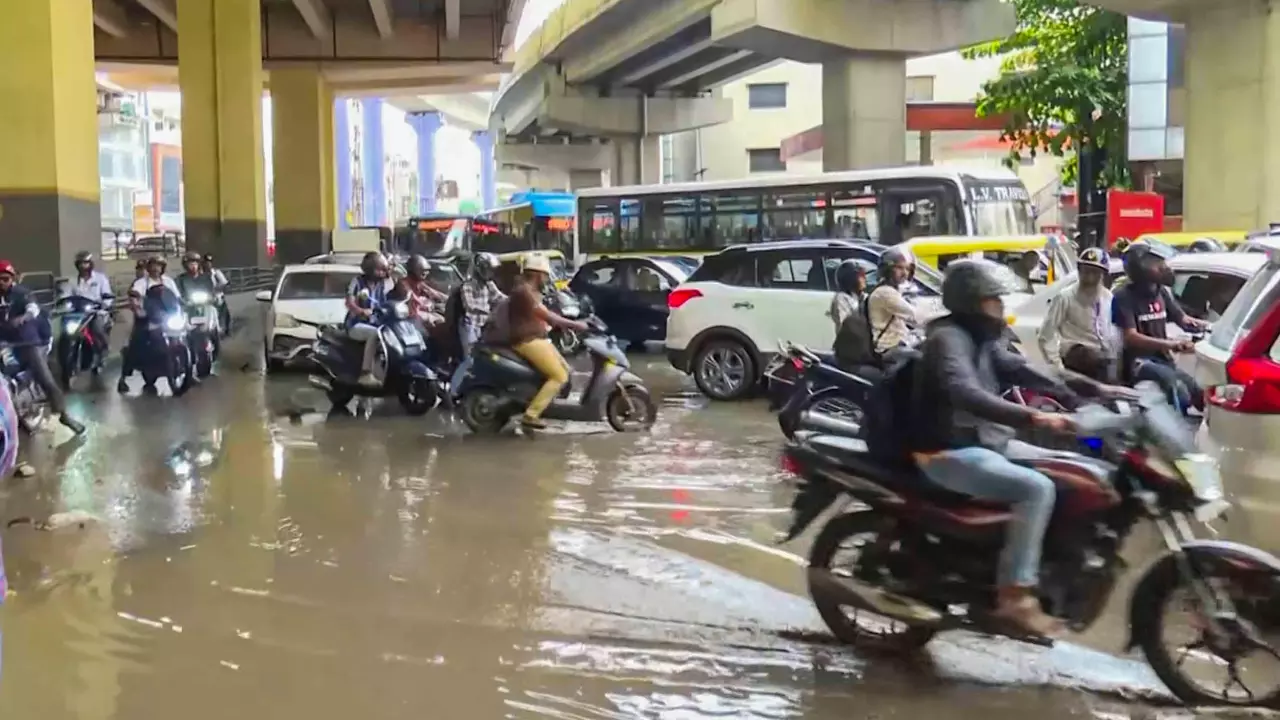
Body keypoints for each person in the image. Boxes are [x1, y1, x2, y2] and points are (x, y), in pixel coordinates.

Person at [911, 259, 1083, 637]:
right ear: (973, 303)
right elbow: (964, 392)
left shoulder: (984, 339)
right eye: (994, 301)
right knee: (1036, 488)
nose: (1001, 309)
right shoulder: (948, 339)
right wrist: (1033, 418)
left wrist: (1087, 391)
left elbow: (1023, 368)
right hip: (946, 451)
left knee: (1077, 471)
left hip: (986, 442)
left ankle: (1043, 568)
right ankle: (1014, 596)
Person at [1112, 241, 1209, 413]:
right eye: (1157, 264)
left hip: (1164, 360)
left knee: (1198, 391)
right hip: (1139, 363)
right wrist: (1171, 344)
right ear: (1141, 268)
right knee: (1177, 390)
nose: (1163, 267)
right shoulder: (1123, 296)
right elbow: (1131, 337)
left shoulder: (1161, 291)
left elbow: (1183, 320)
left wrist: (1211, 327)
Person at [497, 255, 587, 431]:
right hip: (527, 341)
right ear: (538, 275)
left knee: (567, 372)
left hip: (539, 338)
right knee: (559, 376)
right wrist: (575, 324)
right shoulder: (524, 292)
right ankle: (531, 415)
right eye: (545, 276)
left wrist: (563, 325)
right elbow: (546, 315)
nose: (546, 279)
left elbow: (546, 316)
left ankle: (546, 403)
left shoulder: (530, 291)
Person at [0, 262, 85, 434]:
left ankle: (64, 414)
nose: (1, 283)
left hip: (27, 343)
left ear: (12, 279)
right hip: (5, 343)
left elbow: (33, 308)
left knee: (45, 377)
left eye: (5, 279)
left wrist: (24, 317)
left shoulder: (21, 294)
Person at [1036, 247, 1117, 383]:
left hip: (1102, 361)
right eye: (1085, 271)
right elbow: (1045, 335)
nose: (1089, 277)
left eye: (1094, 272)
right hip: (1076, 359)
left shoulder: (1108, 297)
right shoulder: (1065, 297)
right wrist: (1058, 368)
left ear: (1103, 274)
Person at [119, 255, 181, 394]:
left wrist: (182, 307)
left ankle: (189, 368)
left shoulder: (169, 282)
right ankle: (123, 377)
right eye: (153, 265)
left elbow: (176, 298)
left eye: (159, 265)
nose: (156, 268)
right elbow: (135, 297)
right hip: (148, 318)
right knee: (135, 343)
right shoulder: (142, 283)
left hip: (167, 317)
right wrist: (137, 307)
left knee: (186, 334)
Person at [449, 252, 506, 392]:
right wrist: (488, 312)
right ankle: (452, 391)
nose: (490, 273)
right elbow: (470, 306)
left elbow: (500, 297)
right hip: (469, 326)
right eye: (488, 269)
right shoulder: (467, 286)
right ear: (480, 268)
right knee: (469, 360)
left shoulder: (489, 285)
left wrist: (515, 301)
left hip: (483, 327)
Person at [345, 251, 392, 388]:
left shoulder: (382, 284)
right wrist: (361, 311)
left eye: (384, 270)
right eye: (380, 270)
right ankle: (365, 373)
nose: (383, 273)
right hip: (356, 324)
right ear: (371, 269)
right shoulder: (357, 282)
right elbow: (349, 302)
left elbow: (390, 300)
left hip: (376, 322)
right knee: (374, 334)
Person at [866, 247, 921, 359]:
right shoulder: (885, 292)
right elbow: (915, 316)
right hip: (888, 349)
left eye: (907, 269)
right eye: (900, 268)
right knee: (923, 358)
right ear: (887, 269)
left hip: (896, 345)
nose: (905, 273)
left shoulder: (891, 290)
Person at [830, 259, 878, 372]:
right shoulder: (841, 299)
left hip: (866, 347)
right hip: (852, 351)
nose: (865, 279)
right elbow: (848, 325)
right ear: (850, 279)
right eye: (861, 276)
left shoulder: (862, 297)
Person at [68, 251, 114, 350]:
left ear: (91, 264)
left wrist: (105, 304)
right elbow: (66, 294)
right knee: (67, 331)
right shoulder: (72, 280)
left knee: (96, 329)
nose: (83, 266)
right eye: (80, 263)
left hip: (97, 312)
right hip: (79, 313)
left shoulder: (100, 278)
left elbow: (107, 295)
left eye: (85, 263)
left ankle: (105, 348)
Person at [391, 255, 448, 329]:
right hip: (408, 315)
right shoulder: (403, 283)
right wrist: (426, 305)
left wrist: (449, 298)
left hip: (418, 312)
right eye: (423, 270)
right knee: (439, 321)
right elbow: (411, 297)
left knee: (444, 319)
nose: (426, 273)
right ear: (414, 269)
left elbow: (434, 293)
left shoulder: (419, 283)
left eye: (427, 270)